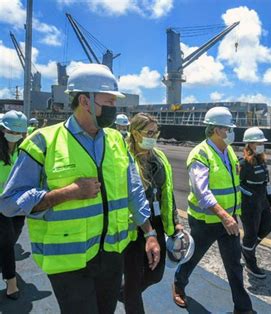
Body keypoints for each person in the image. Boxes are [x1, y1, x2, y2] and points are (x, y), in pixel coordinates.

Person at [0, 64, 160, 314]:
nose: (114, 108)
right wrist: (68, 192)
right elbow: (9, 203)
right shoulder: (44, 142)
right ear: (85, 101)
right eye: (108, 101)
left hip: (110, 255)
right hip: (68, 261)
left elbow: (134, 189)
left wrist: (149, 233)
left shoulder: (116, 140)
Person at [172, 106, 253, 314]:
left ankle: (243, 308)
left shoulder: (229, 153)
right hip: (206, 220)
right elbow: (202, 192)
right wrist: (225, 216)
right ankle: (179, 284)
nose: (231, 132)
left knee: (234, 264)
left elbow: (233, 186)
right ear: (217, 130)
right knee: (193, 256)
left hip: (228, 220)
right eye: (228, 128)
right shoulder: (200, 154)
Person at [123, 112, 184, 314]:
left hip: (156, 223)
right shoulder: (123, 158)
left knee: (155, 275)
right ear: (135, 132)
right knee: (133, 282)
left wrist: (174, 220)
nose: (153, 136)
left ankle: (123, 292)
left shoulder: (159, 157)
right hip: (132, 227)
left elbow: (167, 191)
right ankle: (130, 295)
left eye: (155, 132)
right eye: (149, 132)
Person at [239, 127, 271, 279]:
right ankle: (250, 263)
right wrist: (250, 194)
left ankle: (247, 249)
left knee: (267, 227)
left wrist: (270, 197)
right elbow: (236, 185)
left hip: (262, 201)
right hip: (248, 204)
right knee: (251, 234)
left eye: (262, 142)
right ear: (250, 144)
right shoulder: (242, 163)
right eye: (259, 142)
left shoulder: (262, 160)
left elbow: (266, 181)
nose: (262, 144)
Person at [0, 110, 27, 300]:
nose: (15, 136)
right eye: (12, 131)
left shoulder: (23, 149)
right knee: (7, 240)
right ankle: (11, 283)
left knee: (16, 232)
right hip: (0, 203)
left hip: (18, 201)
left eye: (19, 133)